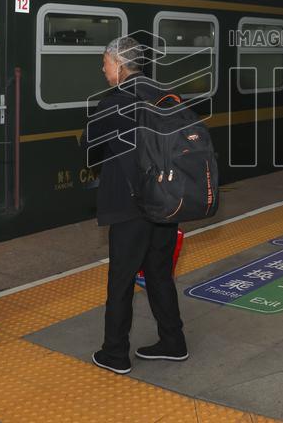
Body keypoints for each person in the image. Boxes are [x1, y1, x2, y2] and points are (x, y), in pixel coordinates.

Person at [86, 36, 186, 375]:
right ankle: (173, 341)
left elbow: (89, 145)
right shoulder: (166, 95)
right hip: (165, 203)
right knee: (159, 274)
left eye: (105, 63)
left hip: (129, 207)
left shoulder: (115, 101)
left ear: (119, 64)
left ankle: (115, 352)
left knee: (121, 280)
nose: (103, 70)